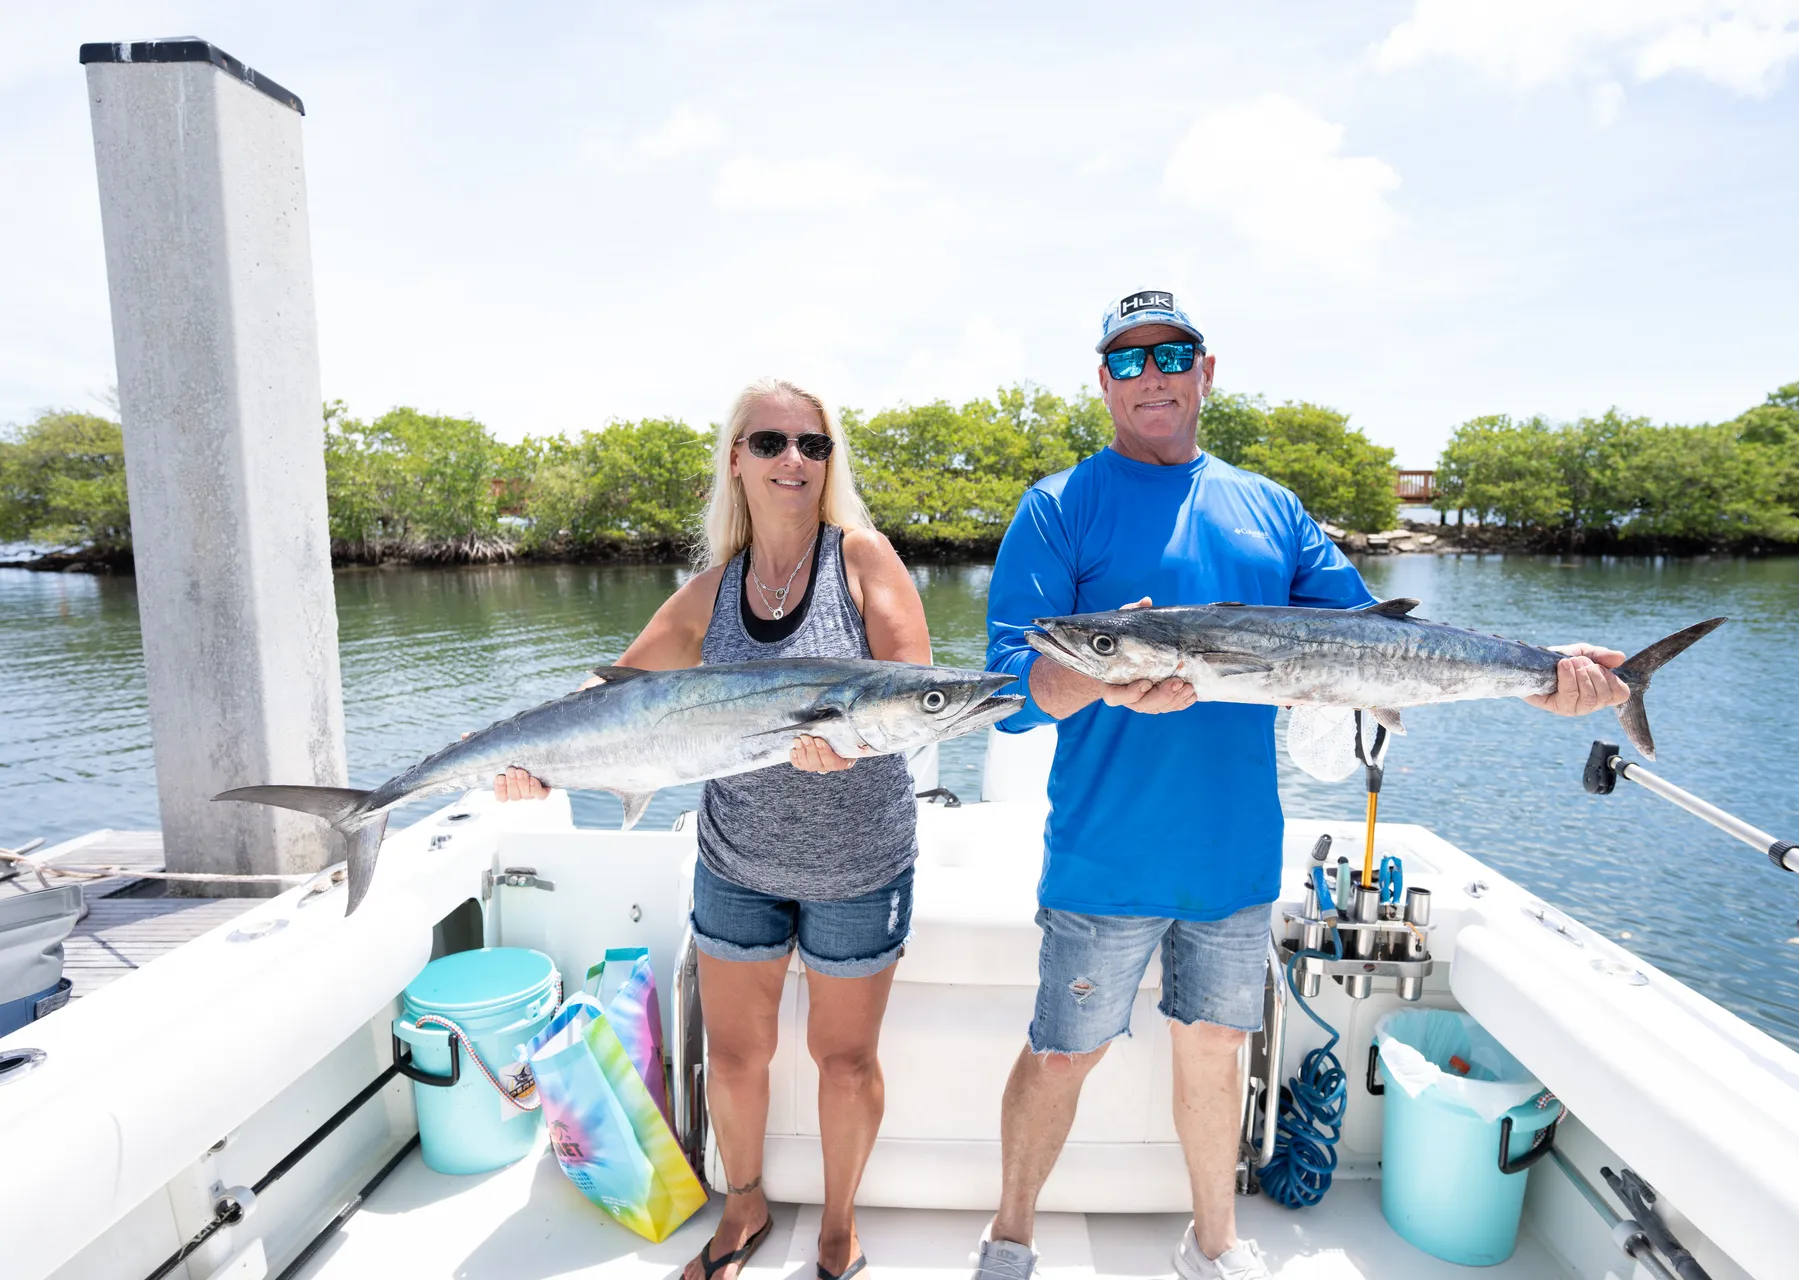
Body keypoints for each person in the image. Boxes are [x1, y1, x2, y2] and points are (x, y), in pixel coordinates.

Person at [970, 292, 1630, 1280]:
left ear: (1207, 371)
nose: (1152, 375)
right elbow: (1008, 694)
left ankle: (1214, 1244)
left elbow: (1381, 644)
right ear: (1103, 381)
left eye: (1172, 355)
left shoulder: (1271, 508)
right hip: (1103, 853)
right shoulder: (1059, 506)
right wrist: (1101, 674)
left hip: (1235, 851)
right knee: (1062, 1052)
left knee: (1215, 1049)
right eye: (1129, 360)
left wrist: (1543, 673)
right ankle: (1012, 1236)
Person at [495, 377, 928, 1280]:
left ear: (830, 461)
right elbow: (607, 693)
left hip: (859, 863)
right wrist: (518, 754)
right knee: (733, 1058)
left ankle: (839, 1225)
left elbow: (914, 688)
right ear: (736, 458)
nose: (792, 460)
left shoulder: (863, 560)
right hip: (737, 861)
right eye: (770, 443)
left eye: (813, 445)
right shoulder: (707, 594)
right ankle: (745, 1204)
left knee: (846, 1061)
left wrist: (848, 751)